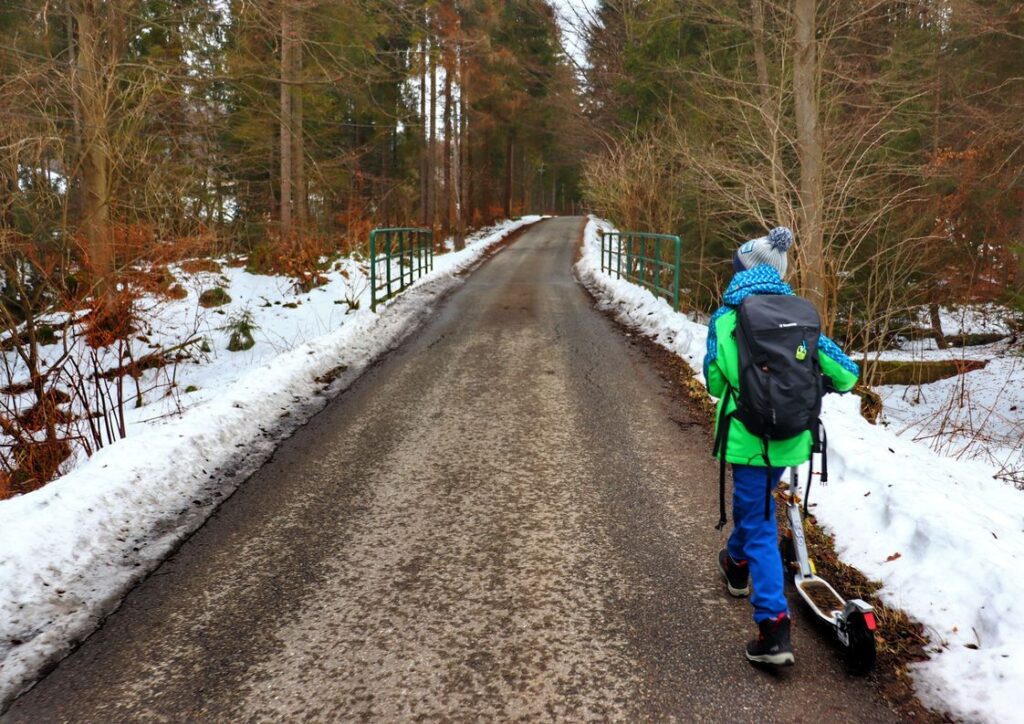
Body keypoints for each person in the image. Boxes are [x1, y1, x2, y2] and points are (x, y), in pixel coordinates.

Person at [702, 226, 859, 666]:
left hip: (748, 439)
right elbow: (847, 374)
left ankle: (773, 627)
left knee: (761, 524)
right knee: (756, 512)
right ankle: (735, 565)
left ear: (740, 271)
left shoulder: (726, 319)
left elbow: (715, 382)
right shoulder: (803, 317)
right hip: (792, 438)